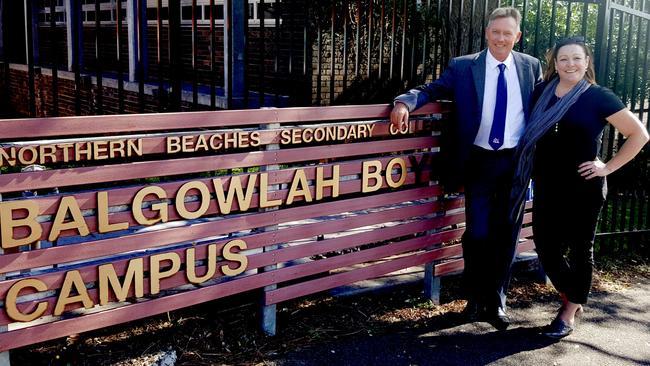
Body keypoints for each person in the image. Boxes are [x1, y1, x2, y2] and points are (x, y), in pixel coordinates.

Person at [391, 7, 542, 330]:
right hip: (479, 161)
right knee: (477, 233)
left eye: (508, 34)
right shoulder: (464, 67)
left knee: (507, 235)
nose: (501, 39)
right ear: (487, 33)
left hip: (516, 163)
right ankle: (474, 299)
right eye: (496, 32)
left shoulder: (531, 67)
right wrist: (404, 102)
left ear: (517, 37)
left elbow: (546, 104)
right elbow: (431, 90)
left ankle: (496, 301)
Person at [510, 37, 649, 339]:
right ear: (555, 63)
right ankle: (574, 295)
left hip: (584, 187)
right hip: (547, 184)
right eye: (563, 59)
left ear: (587, 63)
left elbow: (639, 134)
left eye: (577, 58)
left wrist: (607, 167)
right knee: (545, 245)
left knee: (580, 250)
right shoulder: (541, 93)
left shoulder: (599, 97)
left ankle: (569, 311)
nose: (570, 64)